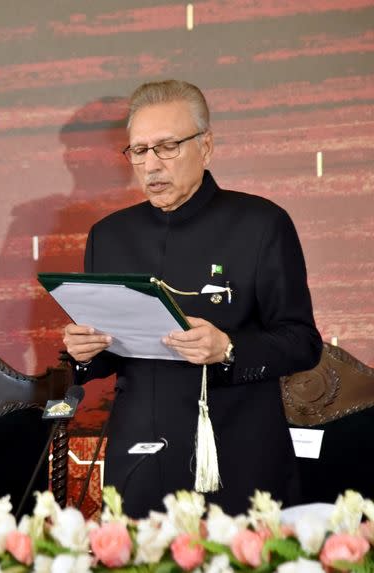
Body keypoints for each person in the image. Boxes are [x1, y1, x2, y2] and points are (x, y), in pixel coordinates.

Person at [62, 80, 322, 517]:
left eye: (167, 147)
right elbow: (109, 354)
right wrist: (85, 353)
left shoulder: (260, 225)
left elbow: (302, 342)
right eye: (139, 151)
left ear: (206, 146)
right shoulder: (109, 235)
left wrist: (229, 347)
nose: (151, 165)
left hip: (236, 451)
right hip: (140, 453)